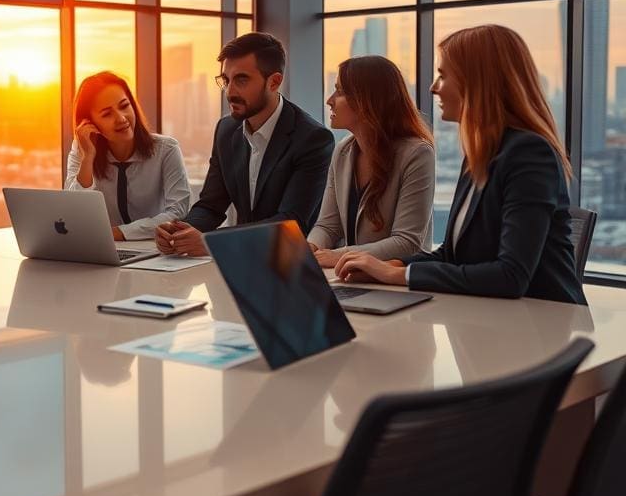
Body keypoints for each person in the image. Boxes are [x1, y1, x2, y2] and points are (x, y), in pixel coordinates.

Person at [334, 24, 587, 305]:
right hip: (489, 321)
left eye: (442, 76)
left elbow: (510, 276)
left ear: (476, 82)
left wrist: (398, 275)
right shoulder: (480, 154)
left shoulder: (528, 153)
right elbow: (452, 256)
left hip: (545, 326)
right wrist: (387, 266)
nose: (433, 87)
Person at [155, 32, 334, 257]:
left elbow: (291, 222)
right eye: (226, 80)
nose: (230, 92)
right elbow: (211, 206)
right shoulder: (226, 130)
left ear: (274, 81)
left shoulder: (312, 139)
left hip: (291, 262)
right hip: (240, 263)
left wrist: (212, 243)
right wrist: (180, 231)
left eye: (241, 80)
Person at [308, 55, 435, 267]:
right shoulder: (343, 151)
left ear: (366, 100)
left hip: (394, 282)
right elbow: (328, 226)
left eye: (339, 91)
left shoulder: (417, 154)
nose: (329, 100)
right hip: (353, 276)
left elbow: (407, 242)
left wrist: (339, 256)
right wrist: (306, 250)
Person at [65, 71, 190, 240]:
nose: (121, 118)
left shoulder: (166, 149)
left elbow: (178, 211)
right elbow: (73, 212)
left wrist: (119, 233)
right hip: (102, 249)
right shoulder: (83, 150)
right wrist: (88, 158)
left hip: (154, 249)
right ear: (89, 123)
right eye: (107, 114)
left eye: (124, 106)